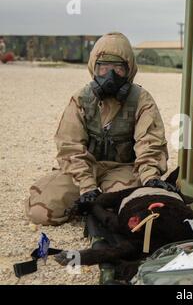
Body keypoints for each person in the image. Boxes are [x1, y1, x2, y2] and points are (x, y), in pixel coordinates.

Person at [25, 32, 169, 226]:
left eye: (118, 68)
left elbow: (150, 142)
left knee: (128, 210)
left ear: (129, 70)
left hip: (122, 169)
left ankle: (98, 207)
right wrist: (86, 186)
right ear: (94, 67)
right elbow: (70, 146)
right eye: (104, 68)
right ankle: (90, 203)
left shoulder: (141, 99)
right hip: (84, 170)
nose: (110, 75)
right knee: (41, 213)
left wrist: (150, 176)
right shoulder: (82, 99)